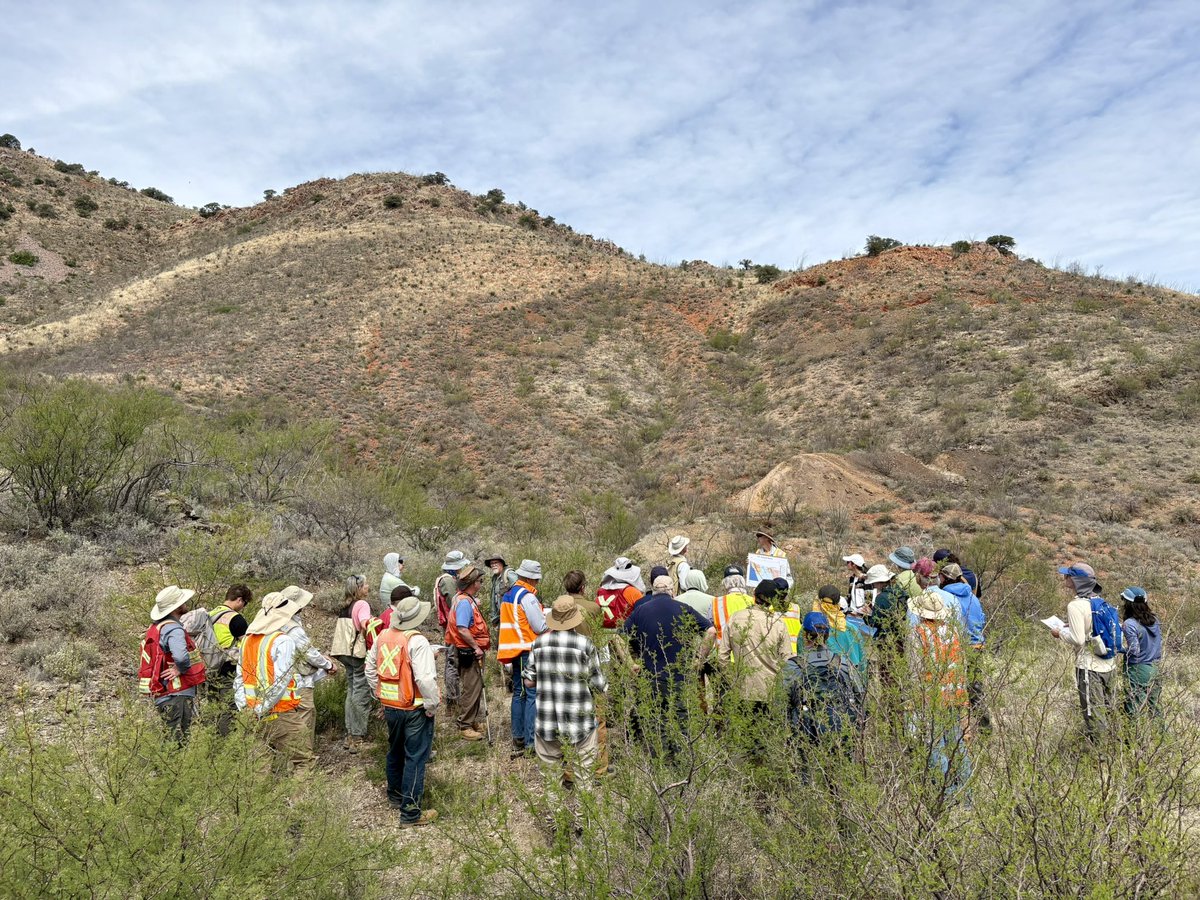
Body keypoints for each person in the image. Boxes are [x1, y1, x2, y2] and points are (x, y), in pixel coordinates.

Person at [236, 586, 337, 774]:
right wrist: (261, 708)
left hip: (251, 713)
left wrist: (246, 708)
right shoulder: (283, 640)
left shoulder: (248, 640)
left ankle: (263, 801)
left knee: (260, 766)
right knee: (304, 760)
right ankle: (299, 801)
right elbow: (281, 681)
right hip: (279, 712)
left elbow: (239, 679)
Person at [365, 591, 440, 826]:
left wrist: (380, 694)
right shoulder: (417, 641)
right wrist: (432, 706)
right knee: (415, 758)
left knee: (395, 751)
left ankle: (395, 796)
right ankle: (410, 812)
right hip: (415, 708)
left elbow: (369, 669)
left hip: (391, 706)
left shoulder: (383, 636)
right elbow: (425, 680)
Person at [622, 573, 716, 755]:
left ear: (654, 590)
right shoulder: (683, 608)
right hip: (679, 676)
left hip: (651, 676)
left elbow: (618, 637)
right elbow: (711, 632)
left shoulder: (641, 611)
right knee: (681, 720)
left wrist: (629, 663)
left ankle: (661, 763)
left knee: (657, 721)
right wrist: (698, 659)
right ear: (672, 590)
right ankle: (682, 763)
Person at [524, 597, 608, 794]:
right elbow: (597, 685)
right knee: (584, 777)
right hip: (580, 720)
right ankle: (583, 821)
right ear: (575, 619)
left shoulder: (539, 643)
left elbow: (528, 681)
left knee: (552, 781)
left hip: (547, 719)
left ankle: (555, 822)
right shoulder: (585, 644)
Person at [907, 589, 971, 795]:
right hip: (955, 693)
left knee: (935, 744)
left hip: (931, 695)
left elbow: (915, 668)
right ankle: (965, 791)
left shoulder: (919, 632)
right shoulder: (953, 630)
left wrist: (913, 697)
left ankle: (946, 793)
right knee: (956, 742)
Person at [782, 611, 865, 769]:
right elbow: (859, 694)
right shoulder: (843, 663)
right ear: (827, 636)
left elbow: (782, 702)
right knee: (839, 771)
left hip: (804, 726)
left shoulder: (793, 665)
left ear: (805, 636)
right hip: (838, 724)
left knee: (805, 772)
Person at [1054, 562, 1118, 742]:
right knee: (1109, 708)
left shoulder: (1075, 606)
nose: (1065, 578)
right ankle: (1114, 751)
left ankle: (1099, 756)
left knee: (1093, 713)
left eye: (1068, 576)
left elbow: (1078, 640)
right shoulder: (1101, 602)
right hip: (1109, 665)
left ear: (1076, 581)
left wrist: (1059, 633)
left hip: (1089, 667)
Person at [141, 585, 206, 743]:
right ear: (177, 607)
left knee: (170, 738)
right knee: (178, 741)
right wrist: (180, 668)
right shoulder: (174, 629)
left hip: (163, 694)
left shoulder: (156, 628)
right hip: (177, 693)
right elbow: (181, 657)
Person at [718, 578, 793, 714]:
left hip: (741, 689)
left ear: (754, 595)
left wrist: (732, 680)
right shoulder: (778, 624)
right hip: (770, 690)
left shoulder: (735, 618)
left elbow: (722, 657)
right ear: (773, 601)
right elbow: (786, 660)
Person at [498, 559, 548, 757]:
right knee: (531, 694)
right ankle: (530, 742)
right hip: (526, 649)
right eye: (536, 579)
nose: (536, 583)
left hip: (514, 650)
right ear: (530, 578)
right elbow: (539, 627)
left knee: (519, 693)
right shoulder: (526, 597)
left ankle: (518, 737)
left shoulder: (509, 594)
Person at [938, 563, 988, 730]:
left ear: (944, 578)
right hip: (977, 646)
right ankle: (984, 728)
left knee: (953, 691)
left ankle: (956, 730)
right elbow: (981, 619)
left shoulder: (945, 596)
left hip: (957, 648)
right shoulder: (973, 597)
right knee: (975, 690)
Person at [330, 574, 374, 751]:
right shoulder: (362, 604)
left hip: (344, 653)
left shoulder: (345, 606)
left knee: (351, 690)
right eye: (365, 584)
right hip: (357, 654)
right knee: (361, 694)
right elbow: (365, 624)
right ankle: (357, 736)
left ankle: (349, 734)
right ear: (359, 588)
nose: (368, 587)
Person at [448, 564, 490, 741]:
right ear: (473, 583)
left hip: (469, 651)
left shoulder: (464, 598)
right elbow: (463, 629)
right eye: (480, 581)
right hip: (468, 652)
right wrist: (476, 647)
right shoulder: (464, 602)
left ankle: (471, 720)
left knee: (476, 686)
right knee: (471, 688)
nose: (481, 584)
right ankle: (465, 725)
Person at [205, 584, 251, 734]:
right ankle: (227, 743)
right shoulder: (235, 619)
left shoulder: (210, 614)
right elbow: (248, 646)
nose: (243, 607)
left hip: (209, 669)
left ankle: (213, 742)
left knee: (214, 708)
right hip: (228, 671)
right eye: (245, 603)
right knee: (229, 708)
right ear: (239, 600)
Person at [863, 564, 906, 711]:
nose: (874, 585)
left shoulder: (882, 598)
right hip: (902, 639)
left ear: (880, 582)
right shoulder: (901, 593)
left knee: (887, 676)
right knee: (899, 673)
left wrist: (866, 615)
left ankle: (890, 708)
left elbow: (874, 622)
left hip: (887, 641)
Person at [1120, 587, 1162, 721]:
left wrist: (1120, 650)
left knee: (1133, 708)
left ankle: (1131, 739)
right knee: (1155, 708)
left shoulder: (1129, 624)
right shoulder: (1154, 620)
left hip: (1138, 669)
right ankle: (1161, 737)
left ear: (1127, 604)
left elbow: (1134, 650)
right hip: (1155, 668)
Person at [435, 550, 469, 709]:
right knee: (452, 661)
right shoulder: (447, 581)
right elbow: (453, 603)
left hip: (451, 624)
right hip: (453, 626)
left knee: (453, 660)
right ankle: (453, 700)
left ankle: (454, 697)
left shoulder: (445, 579)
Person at [815, 584, 866, 679]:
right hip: (850, 679)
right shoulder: (852, 629)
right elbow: (862, 661)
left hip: (821, 681)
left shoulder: (812, 628)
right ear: (838, 603)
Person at [711, 564, 755, 646]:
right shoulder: (753, 601)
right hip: (748, 652)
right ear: (743, 581)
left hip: (723, 653)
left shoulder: (716, 602)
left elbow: (710, 630)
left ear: (725, 583)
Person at [596, 556, 645, 628]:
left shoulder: (601, 590)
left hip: (602, 634)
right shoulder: (632, 592)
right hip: (626, 634)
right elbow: (643, 614)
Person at [483, 554, 516, 628]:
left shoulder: (509, 574)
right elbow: (493, 599)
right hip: (501, 616)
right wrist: (494, 617)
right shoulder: (495, 578)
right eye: (492, 563)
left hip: (511, 615)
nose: (493, 565)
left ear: (502, 563)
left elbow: (519, 590)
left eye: (496, 563)